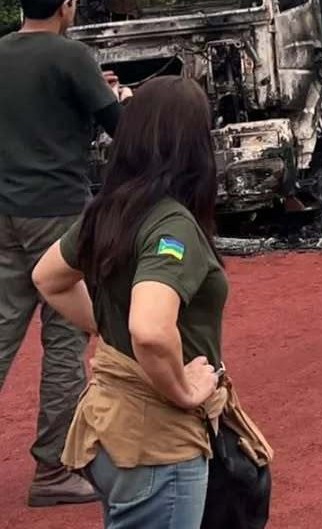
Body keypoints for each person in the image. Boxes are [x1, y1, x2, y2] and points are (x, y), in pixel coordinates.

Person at [32, 75, 271, 528]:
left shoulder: (108, 209)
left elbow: (49, 277)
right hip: (156, 442)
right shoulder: (172, 226)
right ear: (195, 146)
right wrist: (185, 390)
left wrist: (105, 328)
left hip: (111, 428)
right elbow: (150, 329)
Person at [0, 0, 129, 506]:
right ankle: (53, 473)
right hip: (57, 214)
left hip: (3, 212)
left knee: (1, 332)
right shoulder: (72, 54)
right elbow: (120, 127)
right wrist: (119, 96)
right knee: (64, 338)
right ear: (67, 4)